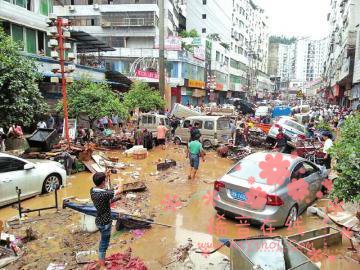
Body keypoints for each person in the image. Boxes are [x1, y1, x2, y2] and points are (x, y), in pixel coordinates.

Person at [90, 172, 123, 267]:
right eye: (104, 180)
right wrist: (120, 181)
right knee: (104, 244)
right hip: (105, 223)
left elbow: (106, 191)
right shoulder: (105, 194)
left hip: (99, 221)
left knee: (103, 242)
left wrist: (106, 176)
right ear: (102, 182)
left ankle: (102, 261)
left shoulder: (92, 190)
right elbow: (120, 190)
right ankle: (102, 265)